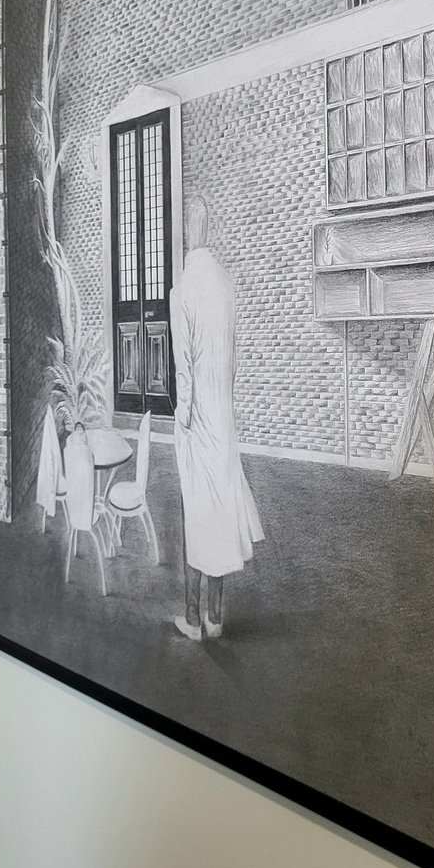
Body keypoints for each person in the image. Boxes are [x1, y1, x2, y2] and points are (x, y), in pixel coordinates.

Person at [170, 195, 263, 640]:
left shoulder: (183, 289)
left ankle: (192, 619)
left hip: (198, 420)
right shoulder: (225, 284)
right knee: (221, 509)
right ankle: (216, 615)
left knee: (196, 512)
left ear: (187, 233)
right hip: (223, 416)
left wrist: (183, 420)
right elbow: (235, 360)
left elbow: (183, 371)